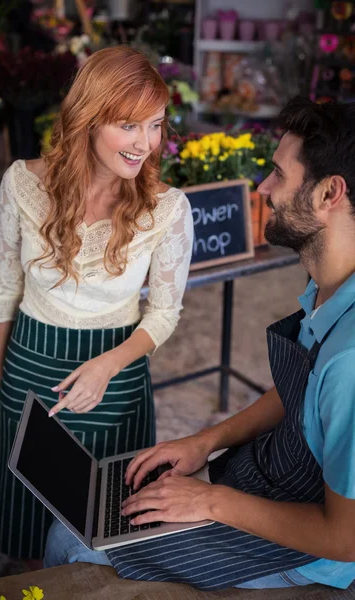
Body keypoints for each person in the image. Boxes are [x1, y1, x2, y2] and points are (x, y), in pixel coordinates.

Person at [44, 96, 355, 591]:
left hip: (310, 546)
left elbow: (346, 537)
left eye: (278, 173)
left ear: (328, 194)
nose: (263, 188)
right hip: (272, 478)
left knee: (71, 540)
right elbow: (303, 394)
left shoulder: (351, 361)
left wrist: (209, 501)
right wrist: (204, 443)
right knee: (104, 504)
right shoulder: (332, 288)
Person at [0, 46, 194, 562]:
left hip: (116, 382)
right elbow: (4, 286)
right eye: (129, 125)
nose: (145, 143)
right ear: (88, 119)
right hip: (28, 363)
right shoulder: (21, 183)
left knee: (95, 535)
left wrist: (108, 365)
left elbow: (164, 313)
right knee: (24, 530)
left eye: (155, 125)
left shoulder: (167, 210)